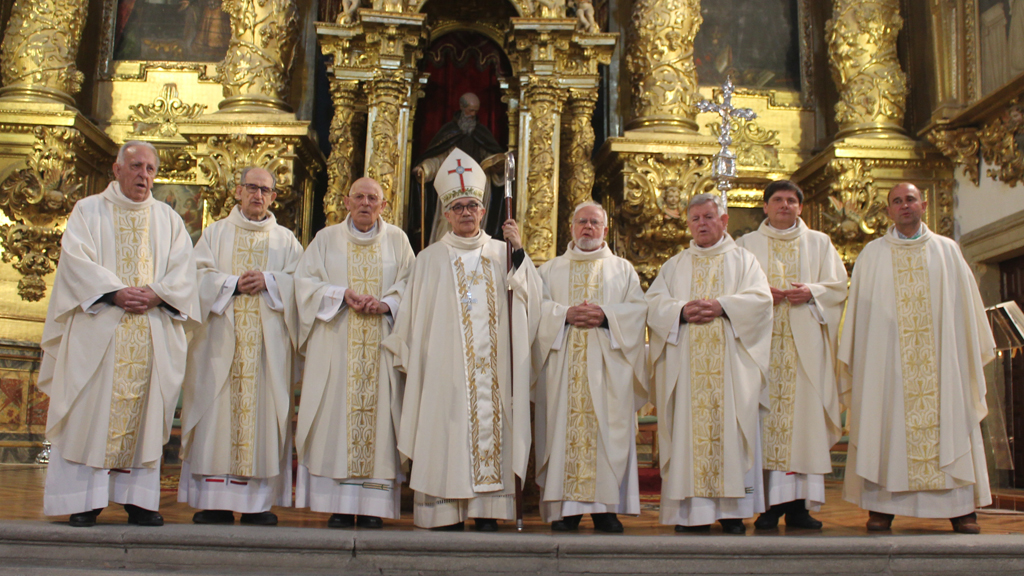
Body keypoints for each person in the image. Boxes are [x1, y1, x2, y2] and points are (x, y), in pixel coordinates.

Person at [39, 140, 199, 527]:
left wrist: (157, 293)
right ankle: (84, 499)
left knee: (143, 417)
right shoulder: (88, 210)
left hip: (149, 331)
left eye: (150, 169)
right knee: (88, 413)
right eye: (136, 166)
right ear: (117, 169)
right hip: (99, 332)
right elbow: (75, 261)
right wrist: (114, 291)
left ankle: (138, 499)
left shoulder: (168, 219)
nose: (144, 175)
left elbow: (184, 272)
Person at [384, 148, 541, 531]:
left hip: (494, 372)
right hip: (444, 374)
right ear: (447, 213)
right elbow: (413, 323)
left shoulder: (504, 253)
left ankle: (487, 511)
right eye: (458, 207)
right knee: (445, 430)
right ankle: (446, 510)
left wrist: (519, 251)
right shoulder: (429, 260)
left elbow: (532, 301)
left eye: (472, 205)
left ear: (483, 211)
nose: (466, 212)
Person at [839, 182, 996, 534]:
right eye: (896, 201)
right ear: (889, 211)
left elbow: (967, 311)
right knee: (886, 421)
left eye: (910, 199)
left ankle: (960, 509)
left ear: (923, 204)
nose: (904, 206)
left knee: (951, 420)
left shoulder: (947, 250)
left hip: (941, 364)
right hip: (888, 365)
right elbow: (859, 320)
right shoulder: (872, 255)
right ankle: (882, 507)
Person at [177, 167, 303, 526]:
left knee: (263, 418)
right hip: (219, 347)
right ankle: (213, 501)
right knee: (215, 414)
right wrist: (231, 284)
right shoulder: (216, 234)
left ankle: (257, 504)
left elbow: (303, 285)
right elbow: (195, 278)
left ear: (274, 197)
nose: (258, 195)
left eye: (266, 190)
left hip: (266, 353)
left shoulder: (287, 242)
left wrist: (271, 280)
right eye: (252, 188)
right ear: (238, 191)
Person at [646, 193, 773, 535]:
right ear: (688, 224)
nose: (702, 224)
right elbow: (654, 304)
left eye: (708, 217)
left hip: (732, 373)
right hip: (687, 373)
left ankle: (733, 513)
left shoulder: (744, 261)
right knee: (688, 435)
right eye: (695, 219)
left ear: (724, 220)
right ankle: (691, 515)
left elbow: (761, 302)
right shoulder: (675, 265)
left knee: (730, 431)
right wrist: (680, 311)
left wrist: (724, 306)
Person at [294, 177, 415, 529]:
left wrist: (387, 303)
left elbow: (411, 284)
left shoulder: (398, 241)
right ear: (346, 202)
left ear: (384, 205)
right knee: (335, 418)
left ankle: (373, 505)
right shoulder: (325, 239)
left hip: (381, 345)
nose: (365, 203)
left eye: (373, 198)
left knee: (379, 422)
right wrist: (340, 295)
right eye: (359, 197)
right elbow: (304, 284)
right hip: (336, 341)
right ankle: (339, 505)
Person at [735, 180, 848, 530]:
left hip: (805, 350)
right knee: (764, 422)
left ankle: (800, 506)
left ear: (800, 207)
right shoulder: (745, 246)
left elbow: (839, 287)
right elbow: (732, 291)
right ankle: (768, 506)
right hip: (761, 349)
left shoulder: (820, 243)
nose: (785, 205)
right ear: (765, 207)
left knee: (804, 423)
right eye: (777, 200)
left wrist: (811, 292)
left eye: (791, 200)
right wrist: (758, 295)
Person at [532, 201, 647, 533]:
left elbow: (639, 312)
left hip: (609, 369)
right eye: (581, 222)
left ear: (605, 230)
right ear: (571, 228)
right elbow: (533, 312)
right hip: (562, 369)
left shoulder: (623, 270)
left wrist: (607, 315)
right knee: (562, 431)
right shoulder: (549, 270)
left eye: (594, 223)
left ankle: (605, 510)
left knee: (607, 433)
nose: (587, 228)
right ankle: (565, 510)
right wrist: (563, 315)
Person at [412, 92, 506, 243]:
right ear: (462, 108)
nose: (473, 115)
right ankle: (442, 252)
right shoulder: (449, 133)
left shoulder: (482, 134)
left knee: (476, 220)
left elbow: (492, 157)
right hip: (452, 186)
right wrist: (425, 169)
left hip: (478, 188)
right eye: (470, 111)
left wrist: (498, 166)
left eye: (476, 111)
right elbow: (438, 159)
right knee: (447, 221)